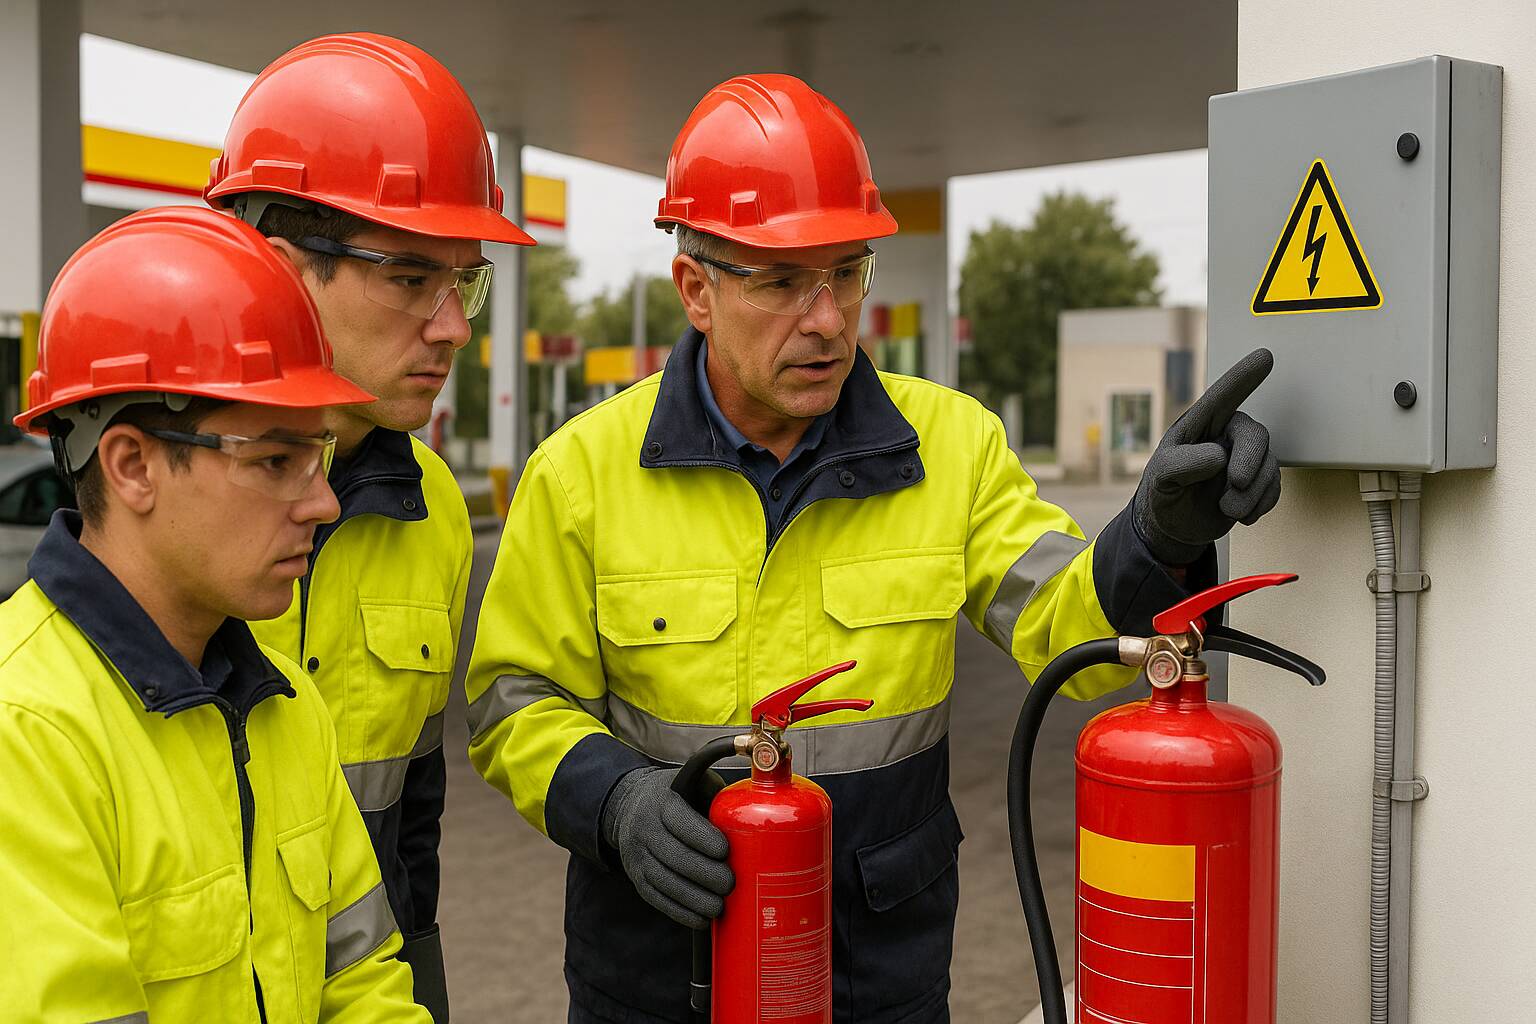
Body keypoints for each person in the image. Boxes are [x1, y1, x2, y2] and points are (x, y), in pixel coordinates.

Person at [466, 75, 1281, 1023]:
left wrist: (1158, 536)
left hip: (880, 976)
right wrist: (615, 802)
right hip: (660, 975)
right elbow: (512, 696)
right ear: (695, 290)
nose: (826, 319)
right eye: (781, 282)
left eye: (846, 273)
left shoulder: (953, 448)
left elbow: (1071, 638)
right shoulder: (581, 473)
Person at [0, 207, 428, 1023]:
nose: (324, 503)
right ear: (133, 466)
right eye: (275, 460)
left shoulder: (288, 709)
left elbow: (363, 981)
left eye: (318, 454)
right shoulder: (24, 730)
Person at [205, 32, 537, 1019]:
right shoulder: (164, 504)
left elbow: (412, 807)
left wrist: (418, 982)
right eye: (408, 278)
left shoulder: (433, 508)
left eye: (464, 281)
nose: (455, 326)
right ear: (275, 266)